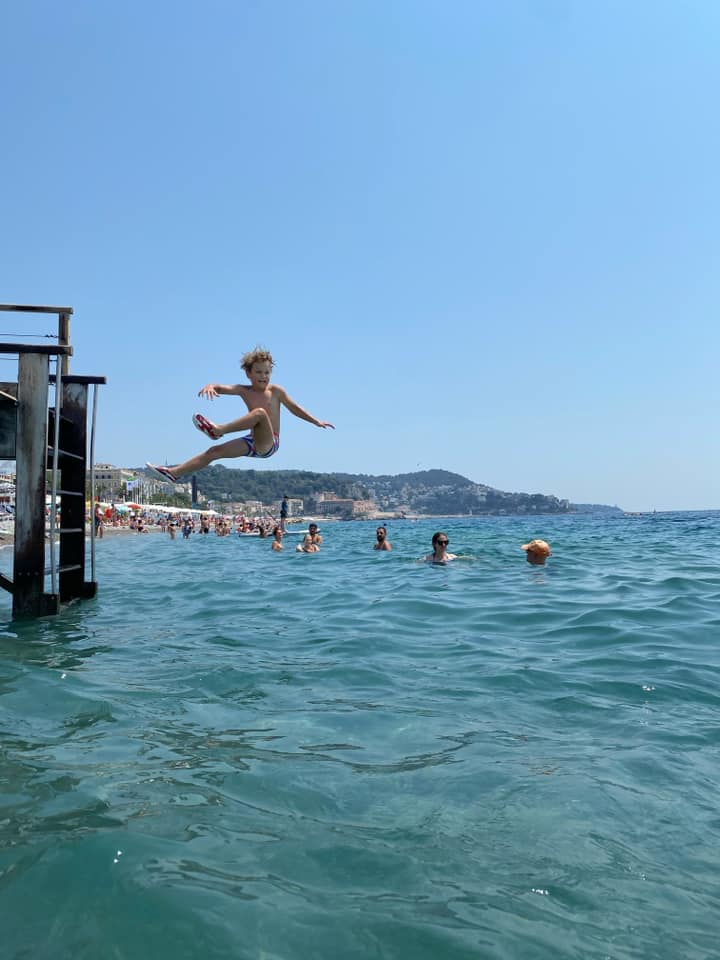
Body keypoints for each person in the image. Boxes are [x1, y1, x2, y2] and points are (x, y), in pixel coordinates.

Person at [146, 347, 334, 482]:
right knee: (214, 452)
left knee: (260, 413)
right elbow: (221, 387)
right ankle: (175, 473)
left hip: (269, 442)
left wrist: (316, 421)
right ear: (248, 374)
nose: (263, 376)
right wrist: (210, 386)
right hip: (251, 441)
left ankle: (218, 430)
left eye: (267, 372)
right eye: (259, 372)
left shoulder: (276, 391)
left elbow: (295, 408)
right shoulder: (244, 390)